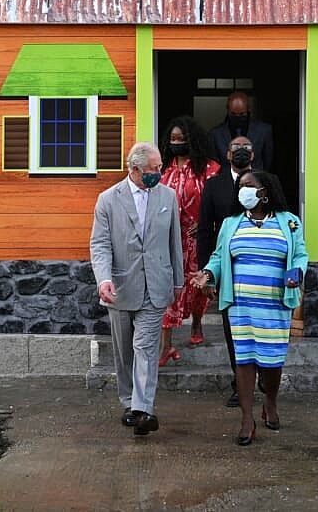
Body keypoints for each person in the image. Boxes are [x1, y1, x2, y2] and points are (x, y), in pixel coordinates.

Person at [191, 171, 307, 446]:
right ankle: (246, 419)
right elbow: (218, 256)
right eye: (240, 186)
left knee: (272, 362)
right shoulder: (231, 223)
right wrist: (207, 274)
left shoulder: (289, 221)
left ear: (264, 191)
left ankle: (270, 402)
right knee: (243, 360)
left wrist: (297, 273)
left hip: (275, 304)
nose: (243, 190)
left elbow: (300, 254)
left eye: (249, 185)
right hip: (241, 304)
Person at [90, 142, 184, 436]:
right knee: (124, 352)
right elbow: (100, 244)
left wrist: (178, 281)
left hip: (156, 285)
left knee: (145, 347)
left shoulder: (168, 196)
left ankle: (143, 409)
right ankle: (129, 401)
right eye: (154, 169)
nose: (160, 172)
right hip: (120, 286)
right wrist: (103, 279)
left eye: (160, 167)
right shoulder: (108, 200)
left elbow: (175, 242)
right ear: (134, 169)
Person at [158, 116, 221, 366]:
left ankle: (196, 323)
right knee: (168, 288)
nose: (177, 143)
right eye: (173, 139)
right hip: (169, 239)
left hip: (197, 238)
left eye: (181, 139)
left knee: (197, 286)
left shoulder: (210, 169)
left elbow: (217, 202)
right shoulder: (163, 168)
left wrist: (206, 224)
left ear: (192, 140)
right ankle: (166, 345)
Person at [197, 135, 254, 408]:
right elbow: (205, 231)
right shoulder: (214, 185)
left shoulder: (265, 181)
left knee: (260, 329)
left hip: (259, 268)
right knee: (233, 330)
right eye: (236, 148)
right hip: (227, 269)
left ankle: (263, 378)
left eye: (246, 147)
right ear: (228, 154)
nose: (241, 151)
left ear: (253, 155)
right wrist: (207, 273)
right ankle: (239, 385)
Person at [208, 91, 273, 172]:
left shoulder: (264, 131)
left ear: (248, 109)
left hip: (255, 177)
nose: (237, 117)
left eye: (242, 114)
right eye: (233, 114)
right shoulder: (216, 134)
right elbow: (214, 164)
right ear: (227, 110)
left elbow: (267, 161)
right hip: (226, 177)